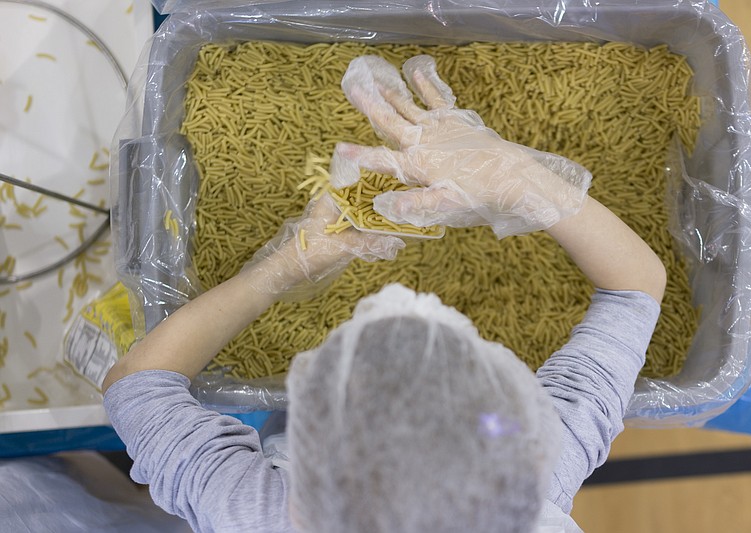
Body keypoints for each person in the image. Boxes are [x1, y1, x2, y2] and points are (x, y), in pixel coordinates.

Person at [102, 55, 666, 533]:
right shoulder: (534, 476)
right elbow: (635, 286)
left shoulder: (254, 511)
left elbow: (138, 384)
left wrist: (280, 268)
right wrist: (517, 178)